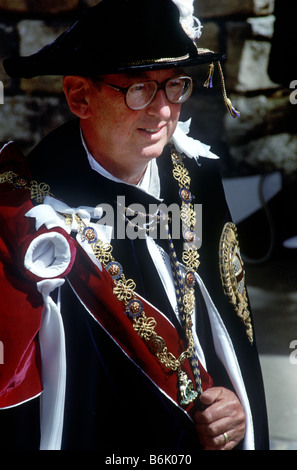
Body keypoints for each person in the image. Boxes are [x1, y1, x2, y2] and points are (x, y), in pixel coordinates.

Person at [0, 0, 269, 452]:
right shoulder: (31, 213)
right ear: (79, 96)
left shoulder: (197, 180)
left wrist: (231, 400)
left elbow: (229, 327)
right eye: (139, 88)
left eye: (176, 86)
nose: (164, 111)